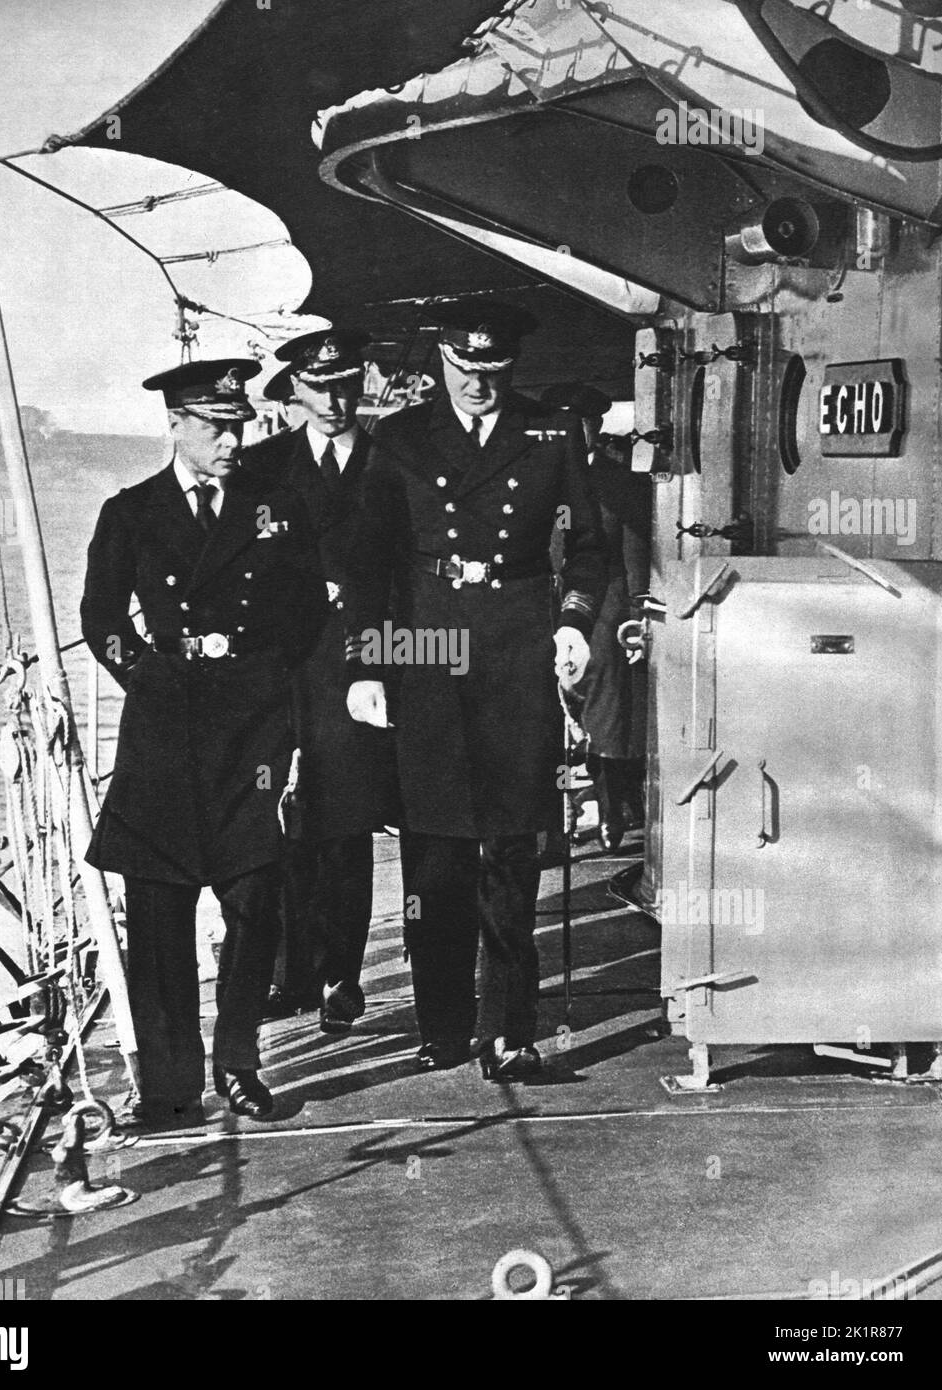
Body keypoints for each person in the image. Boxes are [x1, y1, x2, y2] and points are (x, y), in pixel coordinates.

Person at [345, 301, 608, 1080]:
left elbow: (589, 549)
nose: (479, 387)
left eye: (494, 373)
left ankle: (509, 1032)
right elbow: (369, 564)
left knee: (512, 846)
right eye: (465, 372)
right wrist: (366, 664)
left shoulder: (551, 433)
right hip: (427, 646)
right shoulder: (397, 438)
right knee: (435, 855)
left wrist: (572, 623)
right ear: (441, 365)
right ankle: (444, 1025)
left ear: (510, 369)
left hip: (514, 645)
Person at [80, 359, 328, 1125]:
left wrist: (273, 688)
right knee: (159, 911)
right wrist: (151, 680)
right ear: (178, 427)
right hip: (164, 729)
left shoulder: (274, 507)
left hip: (251, 727)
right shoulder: (131, 512)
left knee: (254, 899)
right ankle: (169, 1086)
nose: (232, 440)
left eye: (240, 425)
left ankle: (240, 1063)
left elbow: (306, 608)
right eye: (217, 428)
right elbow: (102, 621)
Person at [244, 329, 397, 1034]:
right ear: (294, 391)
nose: (334, 402)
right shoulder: (261, 468)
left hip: (356, 666)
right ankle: (289, 975)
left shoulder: (392, 461)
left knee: (344, 825)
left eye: (345, 387)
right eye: (318, 388)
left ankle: (342, 973)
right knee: (278, 826)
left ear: (361, 384)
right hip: (280, 668)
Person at [543, 384, 651, 850]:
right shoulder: (532, 475)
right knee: (545, 717)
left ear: (595, 428)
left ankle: (612, 813)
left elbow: (634, 551)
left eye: (582, 425)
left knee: (606, 715)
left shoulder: (617, 481)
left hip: (604, 607)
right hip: (542, 605)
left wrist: (634, 614)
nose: (573, 434)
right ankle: (551, 824)